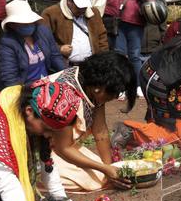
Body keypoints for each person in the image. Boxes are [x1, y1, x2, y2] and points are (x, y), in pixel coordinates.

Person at [47, 51, 136, 193]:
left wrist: (108, 167)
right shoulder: (65, 94)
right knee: (93, 182)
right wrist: (105, 169)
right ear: (99, 87)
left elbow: (100, 132)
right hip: (44, 148)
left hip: (64, 144)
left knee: (102, 175)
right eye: (114, 93)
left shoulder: (93, 88)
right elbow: (63, 148)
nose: (115, 97)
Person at [99, 0, 158, 88]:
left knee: (134, 56)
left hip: (136, 21)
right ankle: (120, 86)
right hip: (116, 20)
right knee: (118, 55)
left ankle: (137, 86)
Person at [0, 0, 65, 87]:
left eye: (30, 22)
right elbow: (9, 76)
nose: (28, 24)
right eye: (23, 23)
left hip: (48, 82)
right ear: (12, 25)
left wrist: (65, 73)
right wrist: (18, 94)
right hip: (26, 88)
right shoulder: (8, 42)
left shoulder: (43, 31)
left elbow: (55, 56)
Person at [40, 0, 108, 66]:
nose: (82, 10)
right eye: (79, 7)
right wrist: (59, 49)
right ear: (69, 1)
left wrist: (104, 59)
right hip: (64, 66)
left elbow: (102, 37)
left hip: (91, 65)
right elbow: (43, 40)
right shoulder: (51, 13)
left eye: (85, 7)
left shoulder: (94, 13)